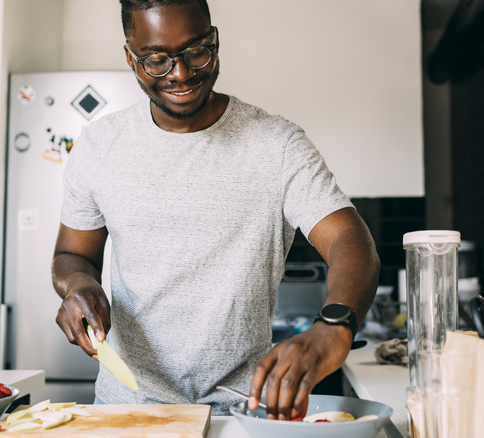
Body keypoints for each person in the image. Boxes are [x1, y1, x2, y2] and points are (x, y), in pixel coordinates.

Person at [52, 0, 380, 420]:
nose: (181, 73)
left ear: (216, 40)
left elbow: (350, 241)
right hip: (127, 410)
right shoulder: (99, 147)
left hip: (242, 413)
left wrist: (334, 325)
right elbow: (72, 255)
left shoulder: (276, 145)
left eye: (196, 51)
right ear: (130, 58)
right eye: (156, 60)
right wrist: (79, 285)